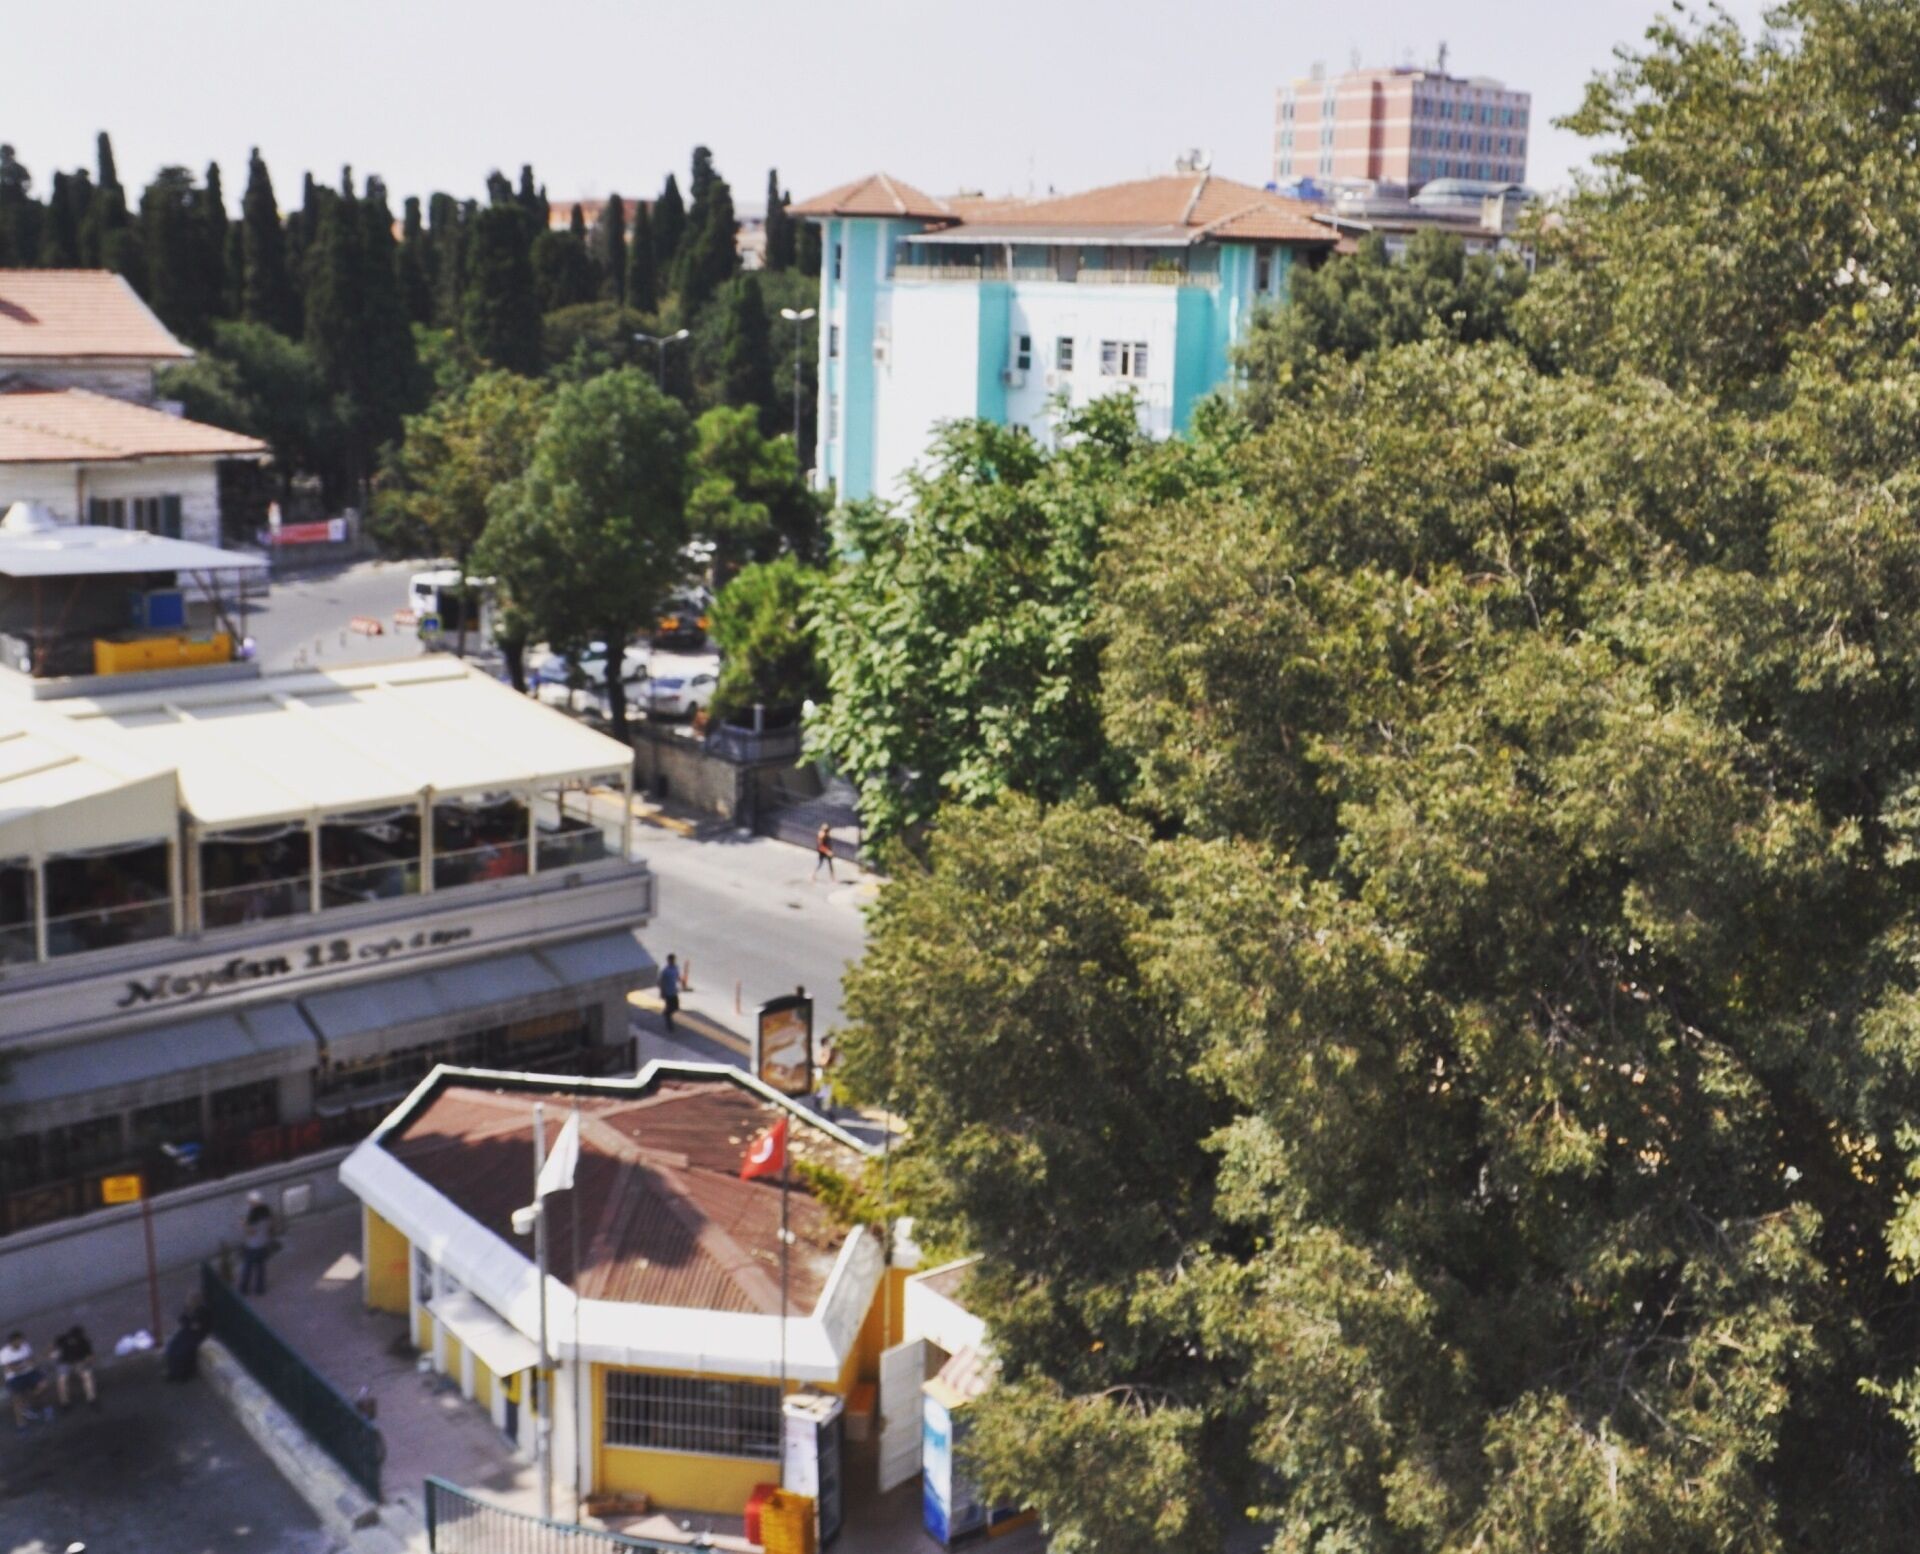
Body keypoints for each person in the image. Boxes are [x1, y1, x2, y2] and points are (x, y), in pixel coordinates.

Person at [2, 1330, 51, 1429]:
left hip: (30, 1372)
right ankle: (21, 1424)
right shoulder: (4, 1353)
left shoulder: (25, 1346)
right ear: (12, 1342)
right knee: (17, 1400)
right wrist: (24, 1365)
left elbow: (32, 1359)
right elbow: (9, 1369)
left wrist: (35, 1361)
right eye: (19, 1341)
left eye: (22, 1340)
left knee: (43, 1385)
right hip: (14, 1377)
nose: (21, 1343)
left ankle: (32, 1404)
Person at [164, 1297, 212, 1382]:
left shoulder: (202, 1311)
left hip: (197, 1334)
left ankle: (182, 1374)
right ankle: (173, 1371)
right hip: (187, 1332)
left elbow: (196, 1326)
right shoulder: (190, 1310)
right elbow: (185, 1321)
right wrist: (187, 1317)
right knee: (173, 1346)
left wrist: (187, 1321)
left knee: (183, 1350)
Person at [53, 1325, 97, 1409]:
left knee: (87, 1376)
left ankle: (92, 1399)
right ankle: (64, 1403)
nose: (73, 1341)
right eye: (71, 1339)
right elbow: (53, 1349)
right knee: (62, 1380)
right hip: (64, 1362)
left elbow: (91, 1357)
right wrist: (53, 1354)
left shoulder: (84, 1342)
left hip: (79, 1362)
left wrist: (83, 1363)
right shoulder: (62, 1339)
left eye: (75, 1339)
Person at [238, 1191, 274, 1295]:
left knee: (247, 1268)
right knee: (261, 1268)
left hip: (253, 1246)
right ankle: (260, 1289)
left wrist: (243, 1224)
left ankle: (243, 1289)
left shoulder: (254, 1214)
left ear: (253, 1202)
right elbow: (270, 1226)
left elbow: (251, 1232)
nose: (249, 1204)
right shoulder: (266, 1211)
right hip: (263, 1244)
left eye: (250, 1202)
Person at [658, 953, 682, 1033]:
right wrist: (662, 992)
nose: (672, 961)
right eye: (671, 960)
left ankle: (666, 1013)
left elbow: (677, 977)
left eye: (673, 960)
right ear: (668, 960)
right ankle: (669, 1024)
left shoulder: (676, 968)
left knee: (676, 1007)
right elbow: (661, 982)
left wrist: (681, 981)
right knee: (670, 1007)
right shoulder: (665, 971)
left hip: (674, 991)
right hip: (668, 992)